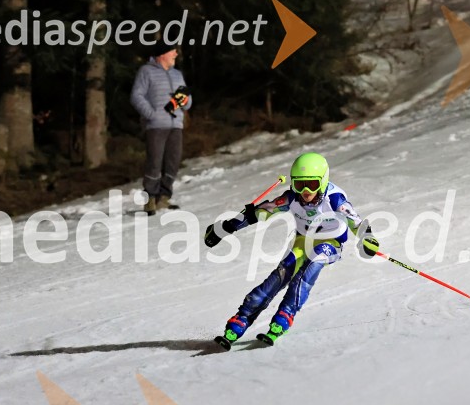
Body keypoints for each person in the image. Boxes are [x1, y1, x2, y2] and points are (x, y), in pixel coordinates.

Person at [204, 152, 380, 350]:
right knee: (281, 274)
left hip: (331, 242)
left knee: (311, 265)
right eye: (299, 184)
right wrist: (225, 228)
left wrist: (367, 238)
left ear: (322, 181)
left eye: (312, 185)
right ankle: (242, 319)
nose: (305, 191)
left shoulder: (335, 199)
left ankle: (284, 316)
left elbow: (356, 221)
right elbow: (260, 212)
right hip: (303, 241)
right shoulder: (291, 198)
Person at [130, 40, 192, 214]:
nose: (176, 54)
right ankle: (150, 199)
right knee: (154, 162)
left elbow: (188, 100)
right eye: (173, 51)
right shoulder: (146, 71)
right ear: (163, 54)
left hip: (176, 125)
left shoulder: (177, 74)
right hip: (156, 126)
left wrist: (186, 100)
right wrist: (151, 114)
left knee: (173, 162)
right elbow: (136, 96)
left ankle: (164, 198)